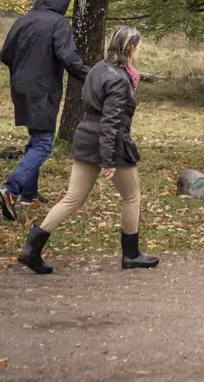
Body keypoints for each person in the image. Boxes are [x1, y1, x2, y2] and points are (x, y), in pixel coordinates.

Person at [17, 25, 158, 274]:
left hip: (85, 138)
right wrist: (109, 160)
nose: (139, 51)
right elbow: (111, 122)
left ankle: (32, 249)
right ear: (131, 48)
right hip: (111, 144)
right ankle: (131, 254)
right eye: (138, 47)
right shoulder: (119, 79)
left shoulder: (98, 69)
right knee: (131, 196)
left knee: (72, 198)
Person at [0, 0, 89, 219]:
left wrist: (23, 70)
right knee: (44, 143)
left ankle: (29, 194)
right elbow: (67, 57)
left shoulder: (22, 21)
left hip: (20, 87)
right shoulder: (59, 23)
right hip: (43, 89)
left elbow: (5, 54)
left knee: (36, 138)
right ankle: (11, 189)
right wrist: (92, 75)